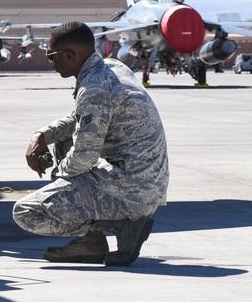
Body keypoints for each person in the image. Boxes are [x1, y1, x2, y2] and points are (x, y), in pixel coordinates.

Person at [13, 21, 169, 266]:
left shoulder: (95, 87)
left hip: (132, 191)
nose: (50, 62)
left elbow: (85, 155)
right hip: (145, 182)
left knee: (25, 212)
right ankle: (91, 241)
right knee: (64, 142)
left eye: (51, 55)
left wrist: (58, 177)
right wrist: (42, 135)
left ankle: (122, 225)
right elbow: (80, 120)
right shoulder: (109, 68)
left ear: (70, 55)